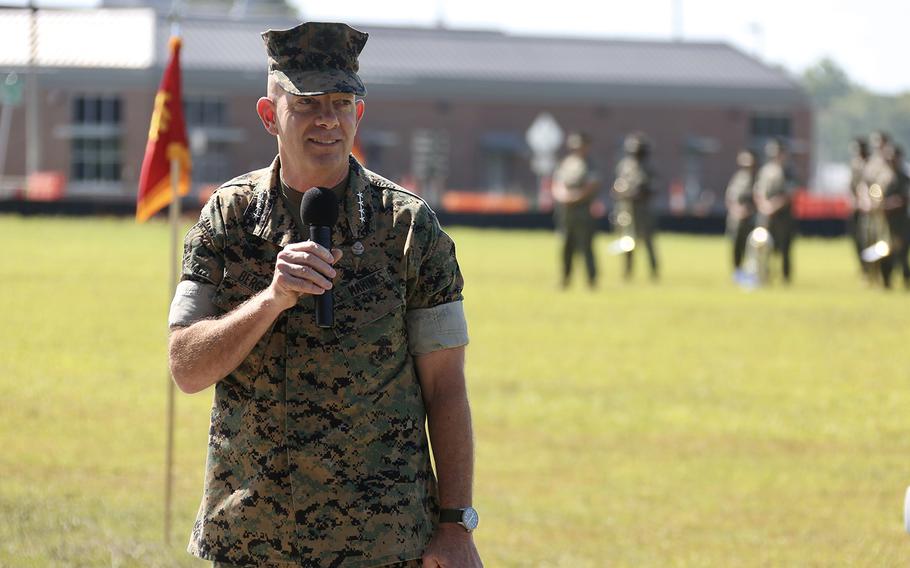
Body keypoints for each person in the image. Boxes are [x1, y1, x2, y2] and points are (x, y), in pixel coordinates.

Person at [166, 22, 483, 568]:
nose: (327, 119)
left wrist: (456, 525)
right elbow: (186, 368)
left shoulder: (408, 227)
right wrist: (271, 299)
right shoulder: (229, 217)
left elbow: (446, 389)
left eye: (342, 102)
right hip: (253, 537)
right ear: (270, 115)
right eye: (308, 102)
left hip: (381, 544)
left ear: (360, 113)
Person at [551, 131, 601, 288]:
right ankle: (565, 278)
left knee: (586, 246)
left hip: (583, 210)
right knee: (566, 245)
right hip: (566, 211)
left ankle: (591, 279)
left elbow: (592, 185)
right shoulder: (567, 163)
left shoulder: (590, 164)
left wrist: (575, 197)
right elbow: (557, 184)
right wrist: (563, 196)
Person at [611, 132, 658, 280]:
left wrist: (637, 194)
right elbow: (617, 185)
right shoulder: (624, 166)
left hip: (643, 210)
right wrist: (621, 192)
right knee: (627, 241)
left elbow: (651, 188)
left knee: (648, 242)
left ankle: (653, 271)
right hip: (626, 210)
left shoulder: (648, 168)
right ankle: (627, 271)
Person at [753, 138, 796, 283]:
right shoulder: (765, 170)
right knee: (764, 246)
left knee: (784, 248)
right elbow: (758, 190)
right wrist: (764, 206)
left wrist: (773, 206)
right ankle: (764, 275)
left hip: (783, 216)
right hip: (766, 216)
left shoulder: (788, 171)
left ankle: (785, 277)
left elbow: (789, 193)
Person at [724, 149, 757, 277]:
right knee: (735, 247)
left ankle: (751, 273)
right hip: (735, 220)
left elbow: (757, 198)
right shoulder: (737, 178)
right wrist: (736, 210)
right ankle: (737, 272)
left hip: (749, 221)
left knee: (749, 248)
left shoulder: (755, 179)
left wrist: (748, 210)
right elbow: (729, 197)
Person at [847, 137, 870, 275]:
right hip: (856, 207)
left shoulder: (872, 164)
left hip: (869, 208)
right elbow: (852, 186)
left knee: (868, 238)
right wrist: (855, 200)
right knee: (856, 239)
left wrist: (869, 202)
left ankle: (871, 268)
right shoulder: (854, 164)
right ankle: (863, 267)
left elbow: (873, 187)